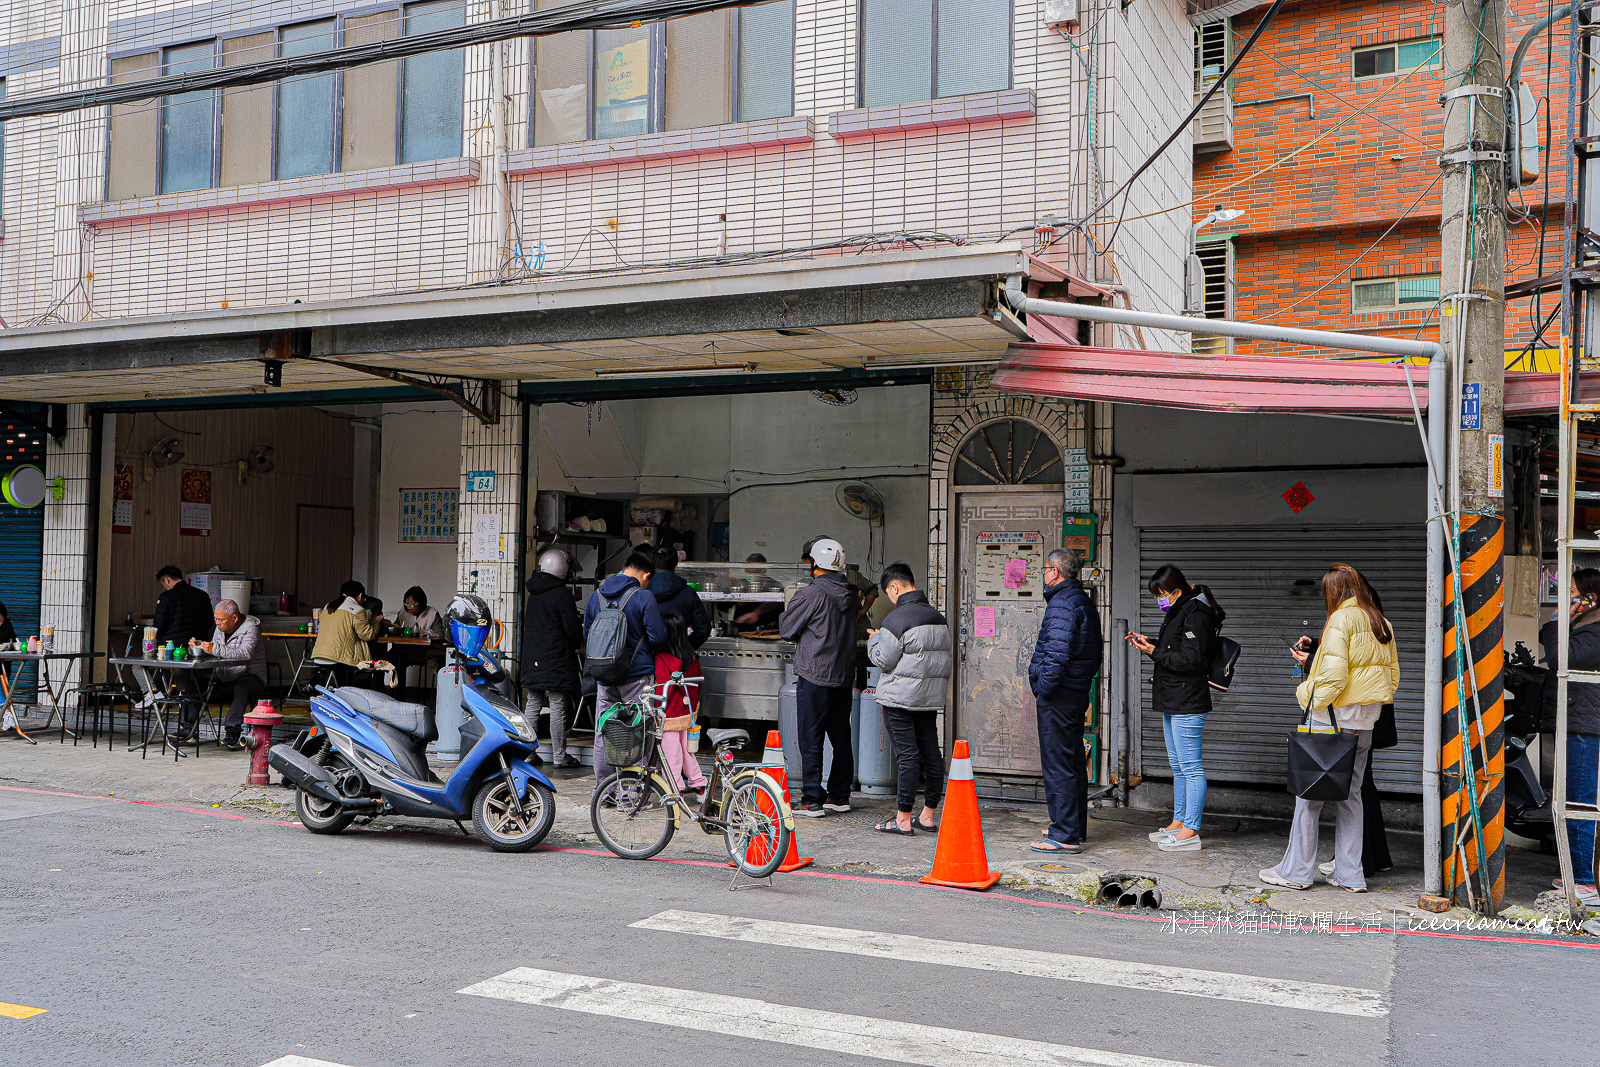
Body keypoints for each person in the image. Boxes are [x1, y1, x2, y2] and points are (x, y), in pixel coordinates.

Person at [1262, 563, 1399, 893]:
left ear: (1335, 592)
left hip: (1332, 720)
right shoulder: (1380, 620)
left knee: (1309, 797)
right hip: (1366, 721)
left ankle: (1296, 872)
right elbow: (1392, 677)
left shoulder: (1341, 619)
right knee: (1352, 797)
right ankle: (1350, 874)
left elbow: (1334, 678)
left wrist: (1305, 692)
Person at [1128, 564, 1222, 853]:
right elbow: (1176, 649)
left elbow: (1191, 661)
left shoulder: (1196, 614)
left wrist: (1152, 652)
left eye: (1162, 594)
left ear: (1177, 591)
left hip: (1188, 700)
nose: (1159, 600)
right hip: (1173, 699)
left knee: (1191, 768)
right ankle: (1179, 822)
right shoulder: (1180, 611)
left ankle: (1191, 830)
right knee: (1179, 767)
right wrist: (1152, 643)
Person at [1028, 548, 1103, 854]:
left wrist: (1042, 686)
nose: (1044, 575)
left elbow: (1056, 656)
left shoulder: (1062, 603)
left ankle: (1063, 835)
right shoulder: (1083, 601)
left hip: (1058, 696)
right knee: (1072, 762)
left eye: (1045, 569)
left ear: (1055, 572)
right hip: (1075, 693)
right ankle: (1072, 826)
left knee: (1058, 764)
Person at [866, 562, 949, 835]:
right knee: (931, 754)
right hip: (928, 698)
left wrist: (875, 640)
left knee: (908, 757)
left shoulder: (896, 619)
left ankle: (902, 819)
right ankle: (927, 816)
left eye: (889, 593)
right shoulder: (938, 618)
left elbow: (884, 660)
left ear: (895, 587)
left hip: (900, 699)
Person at [779, 537, 858, 817]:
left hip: (814, 674)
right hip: (843, 675)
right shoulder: (852, 592)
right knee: (840, 736)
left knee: (810, 737)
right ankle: (839, 795)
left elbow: (787, 628)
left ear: (815, 564)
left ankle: (811, 798)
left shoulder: (810, 594)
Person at [1540, 567, 1600, 904]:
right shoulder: (1584, 627)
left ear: (1592, 598)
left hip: (1584, 728)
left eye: (1574, 591)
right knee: (1572, 800)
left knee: (1580, 802)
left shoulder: (1594, 632)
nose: (1568, 595)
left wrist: (1557, 621)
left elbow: (1559, 659)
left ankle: (1585, 881)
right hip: (1577, 723)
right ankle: (1574, 874)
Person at [584, 548, 667, 782]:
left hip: (604, 676)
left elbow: (588, 635)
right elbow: (657, 637)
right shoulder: (642, 597)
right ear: (645, 575)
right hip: (637, 676)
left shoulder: (596, 596)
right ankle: (631, 794)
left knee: (604, 730)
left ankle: (604, 790)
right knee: (638, 733)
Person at [521, 549, 584, 769]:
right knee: (558, 705)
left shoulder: (534, 592)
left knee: (533, 703)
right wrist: (578, 642)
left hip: (533, 655)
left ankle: (527, 753)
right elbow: (572, 628)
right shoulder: (561, 594)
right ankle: (560, 756)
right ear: (561, 568)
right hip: (556, 656)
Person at [189, 599, 266, 749]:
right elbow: (215, 651)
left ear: (235, 618)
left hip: (251, 677)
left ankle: (232, 731)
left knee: (241, 687)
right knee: (194, 686)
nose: (217, 623)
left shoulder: (251, 629)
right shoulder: (220, 629)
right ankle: (188, 728)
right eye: (215, 619)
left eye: (221, 619)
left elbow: (245, 654)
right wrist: (201, 647)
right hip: (224, 677)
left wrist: (214, 649)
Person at [654, 612, 709, 795]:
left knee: (671, 754)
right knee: (688, 751)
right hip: (688, 713)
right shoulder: (692, 655)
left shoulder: (661, 658)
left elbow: (661, 689)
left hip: (668, 713)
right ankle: (699, 783)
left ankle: (673, 789)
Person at [148, 565, 215, 712]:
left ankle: (151, 693)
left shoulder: (167, 597)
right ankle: (184, 695)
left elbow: (158, 626)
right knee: (184, 667)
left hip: (172, 649)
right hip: (197, 649)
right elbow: (210, 622)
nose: (164, 587)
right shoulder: (202, 595)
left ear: (166, 579)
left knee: (138, 665)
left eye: (163, 583)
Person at [311, 580, 381, 687]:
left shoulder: (327, 607)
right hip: (339, 659)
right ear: (360, 596)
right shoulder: (357, 610)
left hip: (319, 656)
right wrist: (376, 622)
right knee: (365, 664)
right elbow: (367, 635)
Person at [648, 548, 711, 649]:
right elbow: (703, 629)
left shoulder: (640, 592)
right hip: (677, 659)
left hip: (646, 658)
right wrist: (684, 649)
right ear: (675, 567)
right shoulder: (688, 592)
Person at [392, 585, 446, 681]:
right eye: (407, 603)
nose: (409, 606)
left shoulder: (432, 613)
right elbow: (397, 627)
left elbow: (439, 635)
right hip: (405, 650)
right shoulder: (403, 612)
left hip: (423, 652)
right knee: (392, 658)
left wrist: (421, 633)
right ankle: (396, 693)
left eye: (412, 604)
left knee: (399, 657)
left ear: (421, 603)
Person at [733, 553, 783, 631]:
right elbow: (722, 607)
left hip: (768, 630)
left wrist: (778, 621)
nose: (751, 575)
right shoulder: (740, 584)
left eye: (754, 573)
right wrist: (729, 589)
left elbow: (780, 605)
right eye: (748, 571)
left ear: (763, 571)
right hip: (743, 629)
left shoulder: (774, 585)